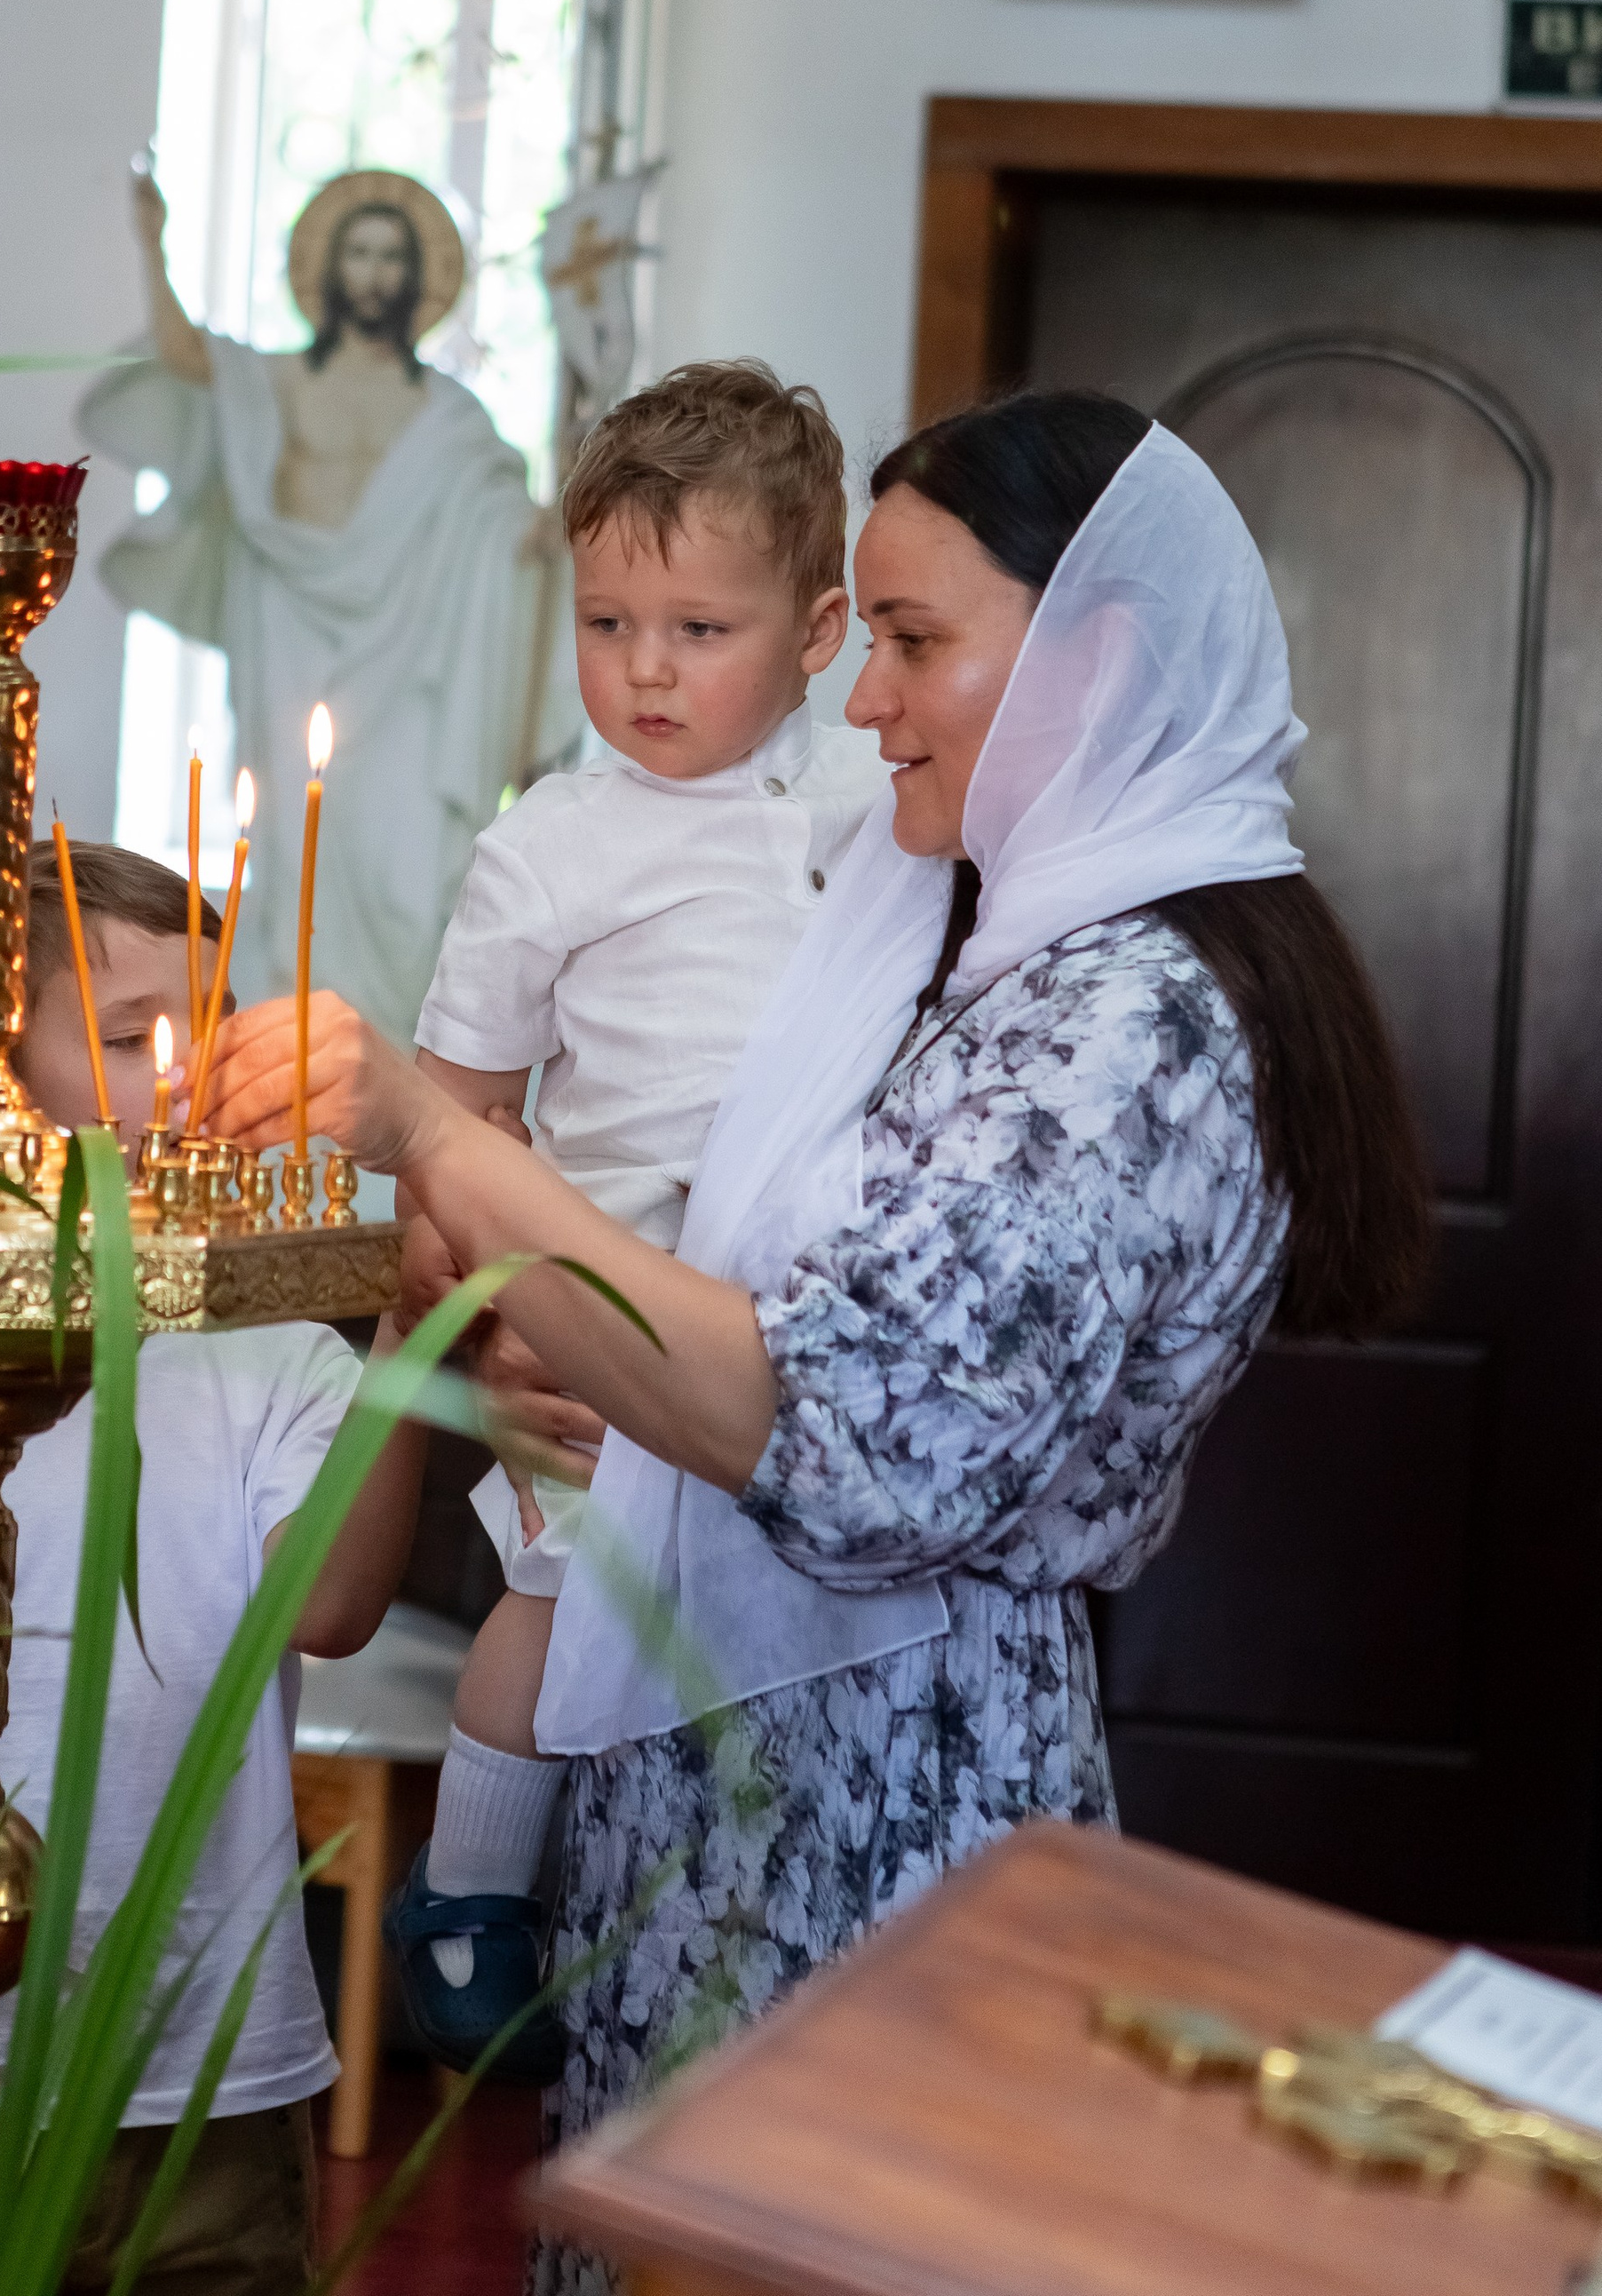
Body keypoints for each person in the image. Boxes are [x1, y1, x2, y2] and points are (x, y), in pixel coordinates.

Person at [204, 393, 1431, 2292]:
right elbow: (752, 1312)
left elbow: (852, 1440)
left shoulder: (1122, 1020)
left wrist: (442, 1144)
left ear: (1088, 657)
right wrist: (547, 1349)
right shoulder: (972, 936)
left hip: (871, 1805)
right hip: (718, 1761)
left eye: (913, 641)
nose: (861, 702)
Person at [0, 838, 428, 2296]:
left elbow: (330, 1604)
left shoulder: (271, 1342)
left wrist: (401, 1347)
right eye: (130, 1038)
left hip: (213, 2075)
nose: (182, 1075)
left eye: (207, 1030)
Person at [391, 361, 879, 2070]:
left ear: (820, 633)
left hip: (791, 1326)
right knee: (562, 1604)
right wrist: (489, 1325)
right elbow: (455, 1124)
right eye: (609, 624)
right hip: (589, 1326)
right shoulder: (548, 850)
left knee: (750, 1637)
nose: (645, 671)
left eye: (696, 627)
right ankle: (470, 1900)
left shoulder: (877, 817)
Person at [79, 166, 576, 1044]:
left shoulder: (450, 420)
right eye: (360, 253)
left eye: (391, 257)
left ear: (419, 280)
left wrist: (545, 527)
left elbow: (508, 532)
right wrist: (152, 246)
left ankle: (393, 1094)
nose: (375, 273)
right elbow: (187, 356)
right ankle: (290, 1081)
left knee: (406, 873)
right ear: (328, 271)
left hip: (409, 672)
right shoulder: (273, 384)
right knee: (285, 865)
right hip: (290, 636)